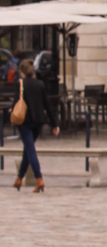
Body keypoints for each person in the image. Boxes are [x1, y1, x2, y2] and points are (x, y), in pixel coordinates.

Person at [11, 57, 60, 195]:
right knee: (28, 149)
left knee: (30, 150)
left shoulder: (20, 84)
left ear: (22, 72)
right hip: (38, 122)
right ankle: (19, 178)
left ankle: (39, 179)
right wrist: (54, 124)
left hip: (25, 122)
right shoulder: (40, 84)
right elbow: (47, 105)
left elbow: (16, 102)